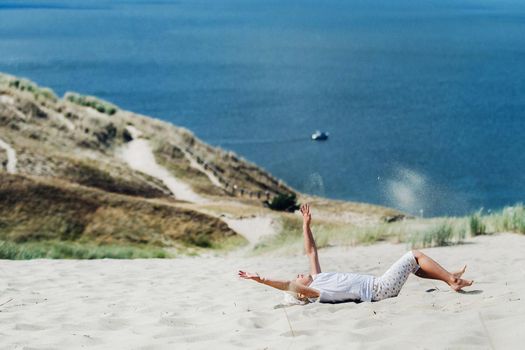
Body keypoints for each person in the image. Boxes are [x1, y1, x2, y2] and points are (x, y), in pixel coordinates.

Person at [238, 204, 473, 303]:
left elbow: (311, 251)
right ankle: (452, 280)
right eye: (298, 277)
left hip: (379, 287)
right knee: (413, 255)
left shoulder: (318, 278)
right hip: (379, 289)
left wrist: (306, 225)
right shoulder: (316, 292)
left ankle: (446, 276)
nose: (299, 274)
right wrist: (262, 280)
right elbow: (290, 285)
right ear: (302, 294)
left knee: (413, 265)